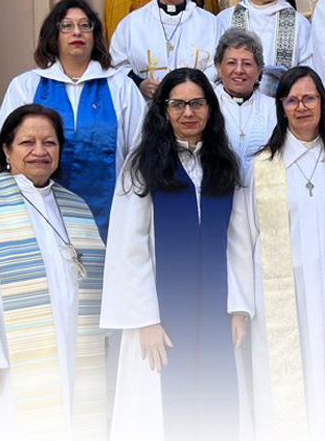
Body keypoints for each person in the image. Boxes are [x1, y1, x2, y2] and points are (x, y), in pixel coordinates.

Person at [100, 68, 245, 440]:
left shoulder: (225, 164)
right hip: (160, 317)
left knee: (218, 404)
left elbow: (239, 240)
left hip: (215, 310)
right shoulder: (141, 167)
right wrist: (144, 319)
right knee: (162, 414)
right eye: (177, 104)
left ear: (210, 109)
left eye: (197, 103)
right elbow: (128, 247)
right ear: (163, 111)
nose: (188, 113)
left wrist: (239, 307)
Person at [0, 105, 107, 440]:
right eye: (27, 143)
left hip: (75, 346)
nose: (40, 151)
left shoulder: (75, 206)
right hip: (10, 357)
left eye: (49, 142)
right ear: (6, 150)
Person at [228, 66, 325, 440]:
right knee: (280, 393)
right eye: (292, 100)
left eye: (309, 98)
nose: (302, 107)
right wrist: (240, 306)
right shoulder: (261, 167)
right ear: (281, 107)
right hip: (277, 303)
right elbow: (241, 238)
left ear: (323, 104)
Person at [0, 0, 146, 241]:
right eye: (67, 25)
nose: (77, 31)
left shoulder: (120, 87)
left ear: (95, 35)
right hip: (38, 218)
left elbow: (140, 153)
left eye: (85, 25)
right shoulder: (26, 86)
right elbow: (4, 153)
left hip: (111, 218)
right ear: (54, 35)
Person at [111, 0, 218, 97]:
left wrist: (190, 91)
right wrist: (139, 83)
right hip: (147, 108)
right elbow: (116, 67)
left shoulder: (210, 24)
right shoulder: (131, 24)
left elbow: (218, 67)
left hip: (194, 107)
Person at [215, 0, 312, 95]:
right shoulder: (225, 19)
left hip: (281, 107)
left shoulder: (299, 23)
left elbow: (308, 71)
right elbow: (214, 69)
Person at [212, 29, 277, 174]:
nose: (239, 70)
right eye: (231, 63)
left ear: (259, 70)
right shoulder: (207, 106)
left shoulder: (273, 109)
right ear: (218, 67)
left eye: (247, 64)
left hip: (263, 190)